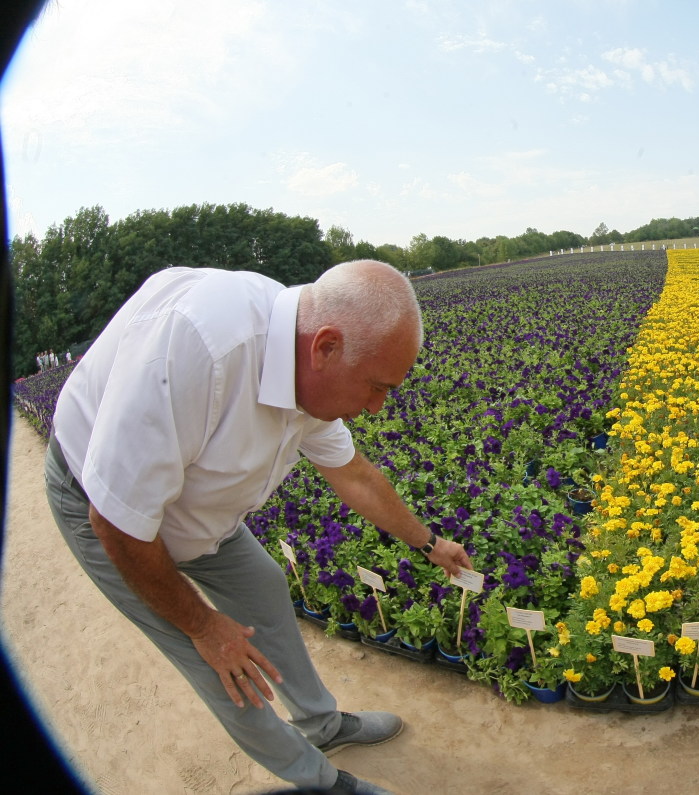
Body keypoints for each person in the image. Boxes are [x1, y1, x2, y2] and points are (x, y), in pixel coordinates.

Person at [45, 260, 472, 795]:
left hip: (196, 504)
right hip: (108, 509)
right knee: (223, 662)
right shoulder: (197, 350)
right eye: (375, 387)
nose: (377, 407)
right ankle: (320, 783)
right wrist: (204, 626)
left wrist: (429, 543)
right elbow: (117, 523)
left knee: (265, 587)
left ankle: (322, 726)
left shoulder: (305, 357)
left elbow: (356, 476)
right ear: (326, 347)